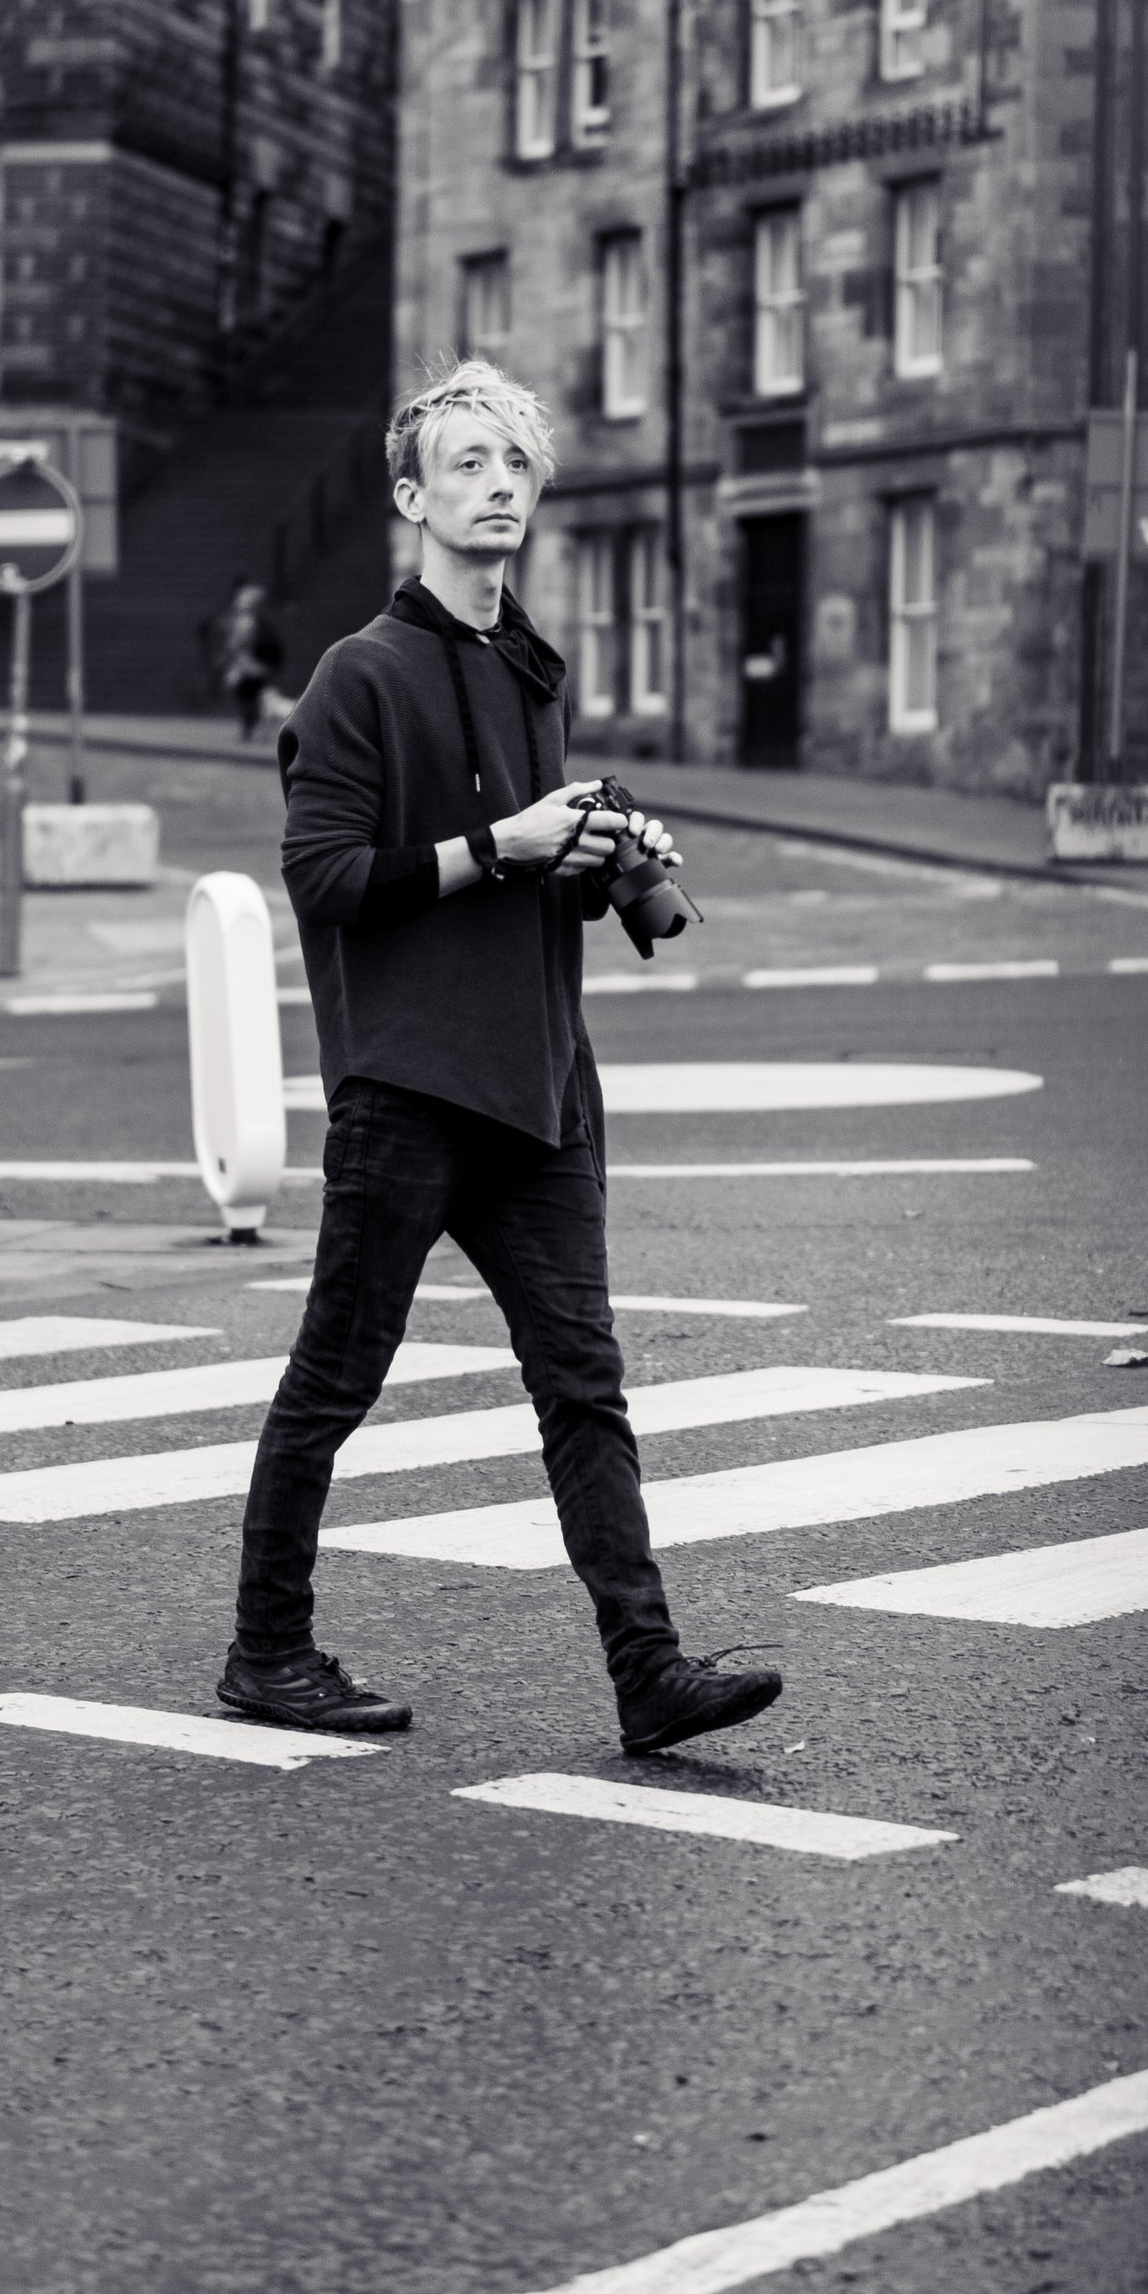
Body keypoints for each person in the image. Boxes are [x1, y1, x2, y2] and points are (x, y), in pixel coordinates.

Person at [218, 358, 784, 1759]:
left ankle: (647, 1670)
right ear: (413, 494)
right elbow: (329, 878)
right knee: (335, 1377)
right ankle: (266, 1650)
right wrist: (503, 844)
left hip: (538, 1092)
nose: (500, 485)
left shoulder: (530, 666)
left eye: (518, 465)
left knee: (584, 1384)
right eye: (470, 463)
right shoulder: (359, 674)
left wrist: (599, 857)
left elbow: (540, 884)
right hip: (410, 1087)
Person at [218, 580, 284, 741]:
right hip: (253, 665)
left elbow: (236, 643)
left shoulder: (248, 621)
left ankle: (252, 728)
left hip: (250, 665)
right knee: (253, 696)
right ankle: (254, 728)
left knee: (250, 696)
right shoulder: (258, 621)